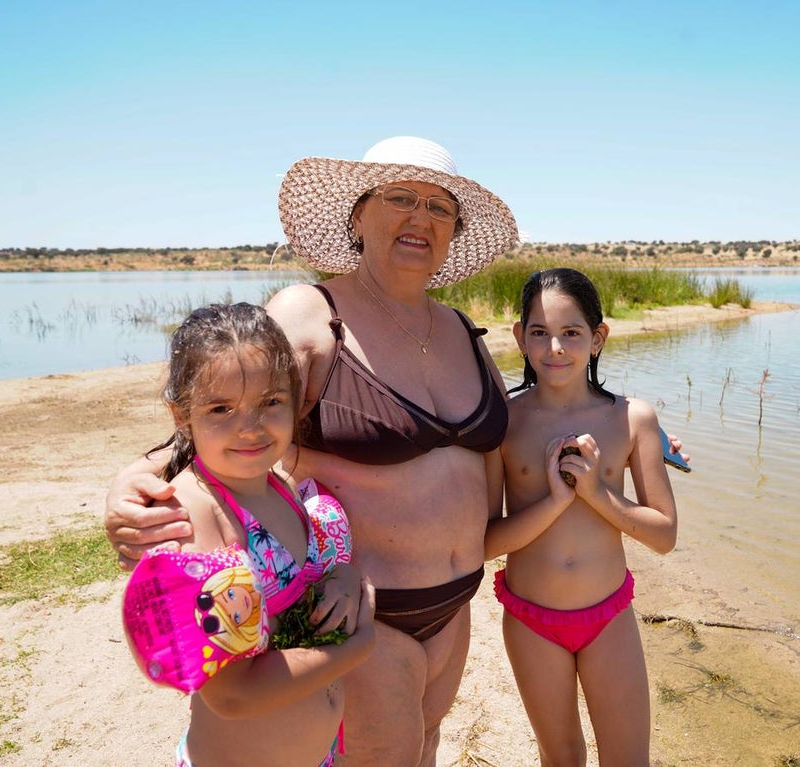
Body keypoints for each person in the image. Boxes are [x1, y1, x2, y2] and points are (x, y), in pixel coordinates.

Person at [105, 137, 520, 766]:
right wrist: (135, 478)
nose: (420, 218)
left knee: (426, 745)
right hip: (360, 611)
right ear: (357, 216)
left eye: (439, 208)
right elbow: (223, 405)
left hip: (455, 608)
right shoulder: (311, 312)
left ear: (455, 230)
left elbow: (509, 438)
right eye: (400, 198)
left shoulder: (462, 328)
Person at [128, 302, 375, 767]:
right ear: (182, 414)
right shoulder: (193, 518)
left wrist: (341, 575)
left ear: (294, 398)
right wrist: (354, 648)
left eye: (270, 402)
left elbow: (306, 580)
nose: (251, 427)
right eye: (221, 408)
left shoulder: (277, 485)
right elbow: (231, 695)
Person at [484, 268, 679, 766]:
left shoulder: (634, 418)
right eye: (540, 332)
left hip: (608, 617)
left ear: (598, 338)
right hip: (531, 620)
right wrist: (554, 500)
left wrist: (594, 492)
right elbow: (485, 543)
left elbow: (664, 535)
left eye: (571, 333)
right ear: (519, 338)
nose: (555, 348)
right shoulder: (502, 423)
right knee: (561, 757)